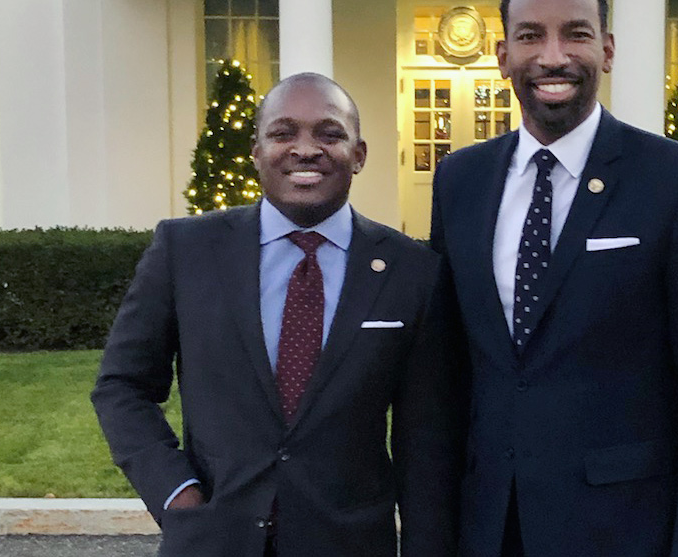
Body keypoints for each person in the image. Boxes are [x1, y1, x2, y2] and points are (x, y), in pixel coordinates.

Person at [429, 0, 678, 557]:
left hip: (622, 528)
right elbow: (448, 376)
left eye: (574, 34)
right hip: (489, 525)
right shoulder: (460, 182)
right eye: (530, 36)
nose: (552, 57)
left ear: (606, 50)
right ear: (502, 56)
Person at [92, 73, 463, 557]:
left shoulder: (410, 271)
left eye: (330, 135)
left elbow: (426, 439)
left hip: (346, 541)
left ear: (360, 154)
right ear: (256, 151)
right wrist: (175, 492)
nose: (305, 149)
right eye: (283, 133)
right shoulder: (185, 250)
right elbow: (122, 385)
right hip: (212, 538)